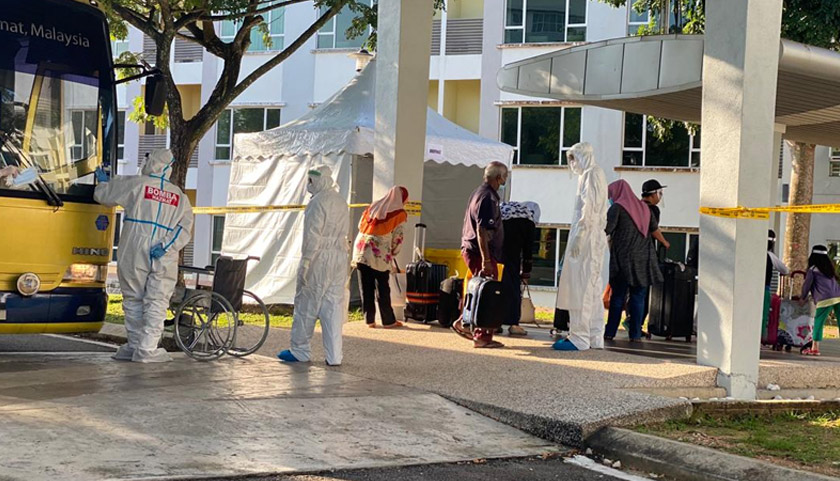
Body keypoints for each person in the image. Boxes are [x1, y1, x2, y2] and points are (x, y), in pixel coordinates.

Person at [94, 150, 193, 363]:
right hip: (163, 251)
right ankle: (146, 348)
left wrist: (102, 182)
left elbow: (104, 196)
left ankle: (135, 344)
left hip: (134, 242)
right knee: (157, 298)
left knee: (133, 297)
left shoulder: (136, 184)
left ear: (149, 163)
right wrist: (166, 245)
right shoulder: (179, 197)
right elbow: (184, 228)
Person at [278, 165, 350, 366]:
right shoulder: (340, 201)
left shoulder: (317, 203)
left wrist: (306, 262)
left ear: (319, 181)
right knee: (333, 305)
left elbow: (312, 236)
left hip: (320, 257)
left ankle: (300, 350)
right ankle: (335, 355)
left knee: (307, 302)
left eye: (311, 181)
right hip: (339, 256)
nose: (309, 185)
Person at [553, 143, 609, 351]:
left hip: (586, 238)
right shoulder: (595, 174)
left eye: (573, 158)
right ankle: (595, 336)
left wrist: (580, 236)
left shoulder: (591, 175)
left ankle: (579, 337)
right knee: (593, 288)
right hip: (592, 238)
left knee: (581, 286)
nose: (572, 164)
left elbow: (590, 209)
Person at [453, 161, 508, 348]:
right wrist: (486, 260)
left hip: (473, 249)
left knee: (476, 290)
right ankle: (481, 336)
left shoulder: (478, 192)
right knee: (486, 292)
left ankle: (463, 321)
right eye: (505, 176)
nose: (505, 180)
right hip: (480, 252)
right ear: (498, 178)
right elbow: (482, 229)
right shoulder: (488, 197)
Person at [603, 179, 662, 343]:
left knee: (618, 297)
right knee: (638, 297)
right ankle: (635, 334)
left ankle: (610, 333)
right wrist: (665, 242)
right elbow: (654, 229)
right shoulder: (645, 208)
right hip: (643, 260)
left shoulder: (617, 208)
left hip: (622, 259)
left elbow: (607, 229)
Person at [351, 186, 409, 329]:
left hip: (361, 250)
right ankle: (388, 321)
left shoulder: (373, 207)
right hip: (379, 253)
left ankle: (369, 320)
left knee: (366, 286)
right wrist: (393, 252)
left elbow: (360, 225)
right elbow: (398, 237)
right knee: (382, 286)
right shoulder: (399, 213)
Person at [499, 201, 539, 337]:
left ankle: (493, 322)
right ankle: (513, 324)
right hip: (511, 259)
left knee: (495, 289)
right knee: (513, 289)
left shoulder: (504, 212)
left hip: (493, 257)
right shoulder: (527, 222)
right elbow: (528, 251)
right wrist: (526, 272)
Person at [799, 245, 839, 356]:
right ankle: (814, 347)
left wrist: (803, 297)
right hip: (838, 296)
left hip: (824, 298)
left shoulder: (812, 269)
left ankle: (814, 348)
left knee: (819, 322)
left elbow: (807, 285)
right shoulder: (829, 269)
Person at [763, 230, 790, 339]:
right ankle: (761, 339)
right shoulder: (770, 255)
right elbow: (785, 270)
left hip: (750, 288)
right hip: (765, 288)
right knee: (764, 314)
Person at [641, 179, 670, 250]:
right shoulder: (654, 210)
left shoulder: (636, 207)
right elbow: (653, 229)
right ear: (653, 195)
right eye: (660, 193)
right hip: (647, 248)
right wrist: (664, 242)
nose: (661, 196)